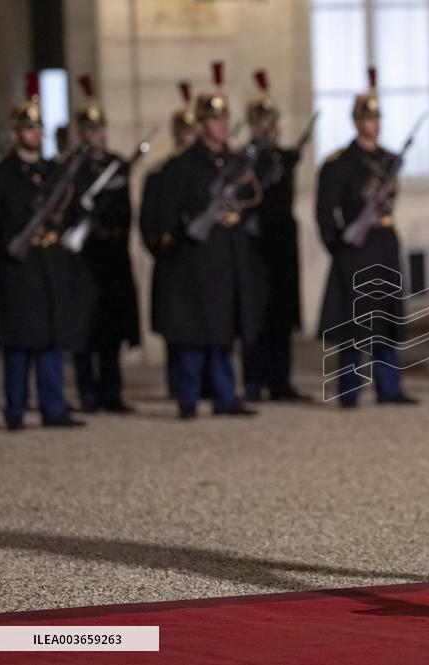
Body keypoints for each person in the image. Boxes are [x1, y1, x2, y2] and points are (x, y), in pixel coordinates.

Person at [155, 63, 263, 419]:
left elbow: (250, 198)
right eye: (213, 119)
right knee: (193, 333)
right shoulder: (182, 166)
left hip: (227, 255)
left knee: (222, 332)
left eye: (223, 118)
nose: (220, 125)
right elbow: (168, 214)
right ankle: (187, 398)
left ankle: (224, 395)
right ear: (201, 124)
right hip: (196, 260)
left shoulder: (232, 162)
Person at [316, 68, 418, 408]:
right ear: (356, 121)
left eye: (376, 117)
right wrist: (340, 246)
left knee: (385, 317)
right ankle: (349, 388)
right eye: (366, 117)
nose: (372, 123)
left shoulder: (389, 159)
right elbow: (324, 212)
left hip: (384, 242)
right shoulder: (339, 164)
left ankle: (390, 387)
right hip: (355, 249)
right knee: (353, 320)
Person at [0, 74, 90, 430]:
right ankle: (16, 409)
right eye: (28, 128)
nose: (35, 134)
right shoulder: (4, 174)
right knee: (20, 341)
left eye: (38, 128)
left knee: (52, 337)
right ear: (15, 132)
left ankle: (54, 407)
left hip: (51, 262)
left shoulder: (54, 171)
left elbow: (75, 209)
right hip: (18, 266)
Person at [70, 75, 140, 413]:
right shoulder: (73, 167)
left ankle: (111, 391)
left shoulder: (115, 165)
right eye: (92, 129)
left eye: (101, 128)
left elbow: (127, 212)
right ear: (82, 132)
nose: (99, 135)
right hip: (86, 256)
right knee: (85, 328)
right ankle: (86, 392)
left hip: (112, 254)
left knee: (111, 327)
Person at [240, 69, 310, 402]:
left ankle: (281, 382)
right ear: (254, 125)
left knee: (282, 314)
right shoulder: (244, 160)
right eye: (264, 122)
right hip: (255, 242)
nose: (271, 128)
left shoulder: (283, 157)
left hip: (281, 240)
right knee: (255, 315)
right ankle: (254, 382)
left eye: (273, 121)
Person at [140, 81, 199, 399]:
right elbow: (148, 222)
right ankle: (178, 385)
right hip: (173, 258)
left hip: (199, 259)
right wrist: (161, 245)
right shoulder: (160, 173)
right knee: (175, 326)